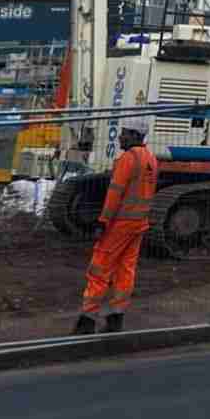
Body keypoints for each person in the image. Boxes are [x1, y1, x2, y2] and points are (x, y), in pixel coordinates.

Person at [73, 122, 158, 336]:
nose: (120, 138)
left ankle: (87, 320)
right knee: (125, 270)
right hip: (138, 224)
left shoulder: (128, 159)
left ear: (133, 135)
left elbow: (115, 193)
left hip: (120, 224)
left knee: (100, 268)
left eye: (124, 134)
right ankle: (115, 318)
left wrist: (103, 221)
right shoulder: (151, 159)